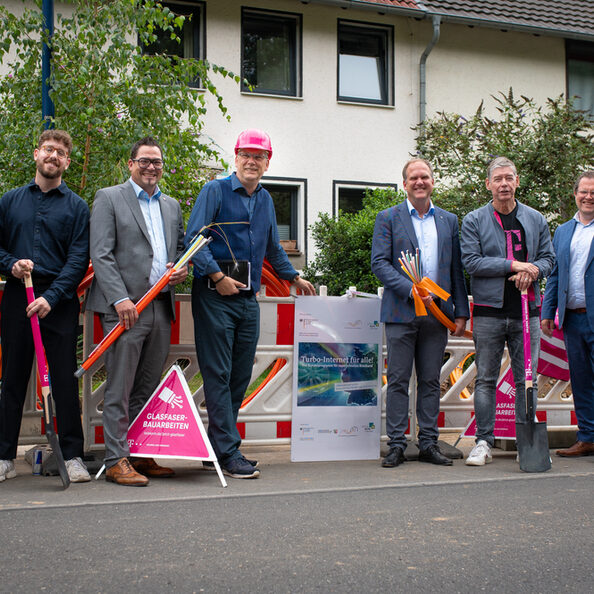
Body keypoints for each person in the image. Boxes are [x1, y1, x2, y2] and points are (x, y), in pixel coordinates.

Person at [185, 129, 315, 479]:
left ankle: (217, 446)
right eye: (247, 154)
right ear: (236, 156)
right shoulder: (214, 191)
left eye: (259, 156)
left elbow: (273, 247)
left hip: (248, 298)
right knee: (218, 372)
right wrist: (216, 277)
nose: (252, 161)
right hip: (215, 296)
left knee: (240, 374)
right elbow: (194, 239)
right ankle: (229, 453)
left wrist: (292, 277)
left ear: (268, 162)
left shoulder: (266, 200)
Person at [86, 137, 187, 486]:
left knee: (147, 386)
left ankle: (140, 453)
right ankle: (116, 458)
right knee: (119, 387)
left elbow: (176, 250)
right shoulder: (109, 197)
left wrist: (180, 270)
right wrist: (119, 299)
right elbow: (101, 253)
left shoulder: (171, 206)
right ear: (130, 164)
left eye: (157, 162)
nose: (151, 167)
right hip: (125, 309)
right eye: (144, 161)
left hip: (160, 305)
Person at [0, 129, 90, 483]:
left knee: (65, 380)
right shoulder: (9, 201)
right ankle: (4, 455)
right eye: (48, 150)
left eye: (61, 153)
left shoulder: (77, 207)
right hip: (17, 298)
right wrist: (12, 265)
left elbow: (78, 259)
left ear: (67, 162)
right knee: (13, 378)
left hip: (59, 301)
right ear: (36, 154)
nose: (54, 156)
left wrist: (51, 298)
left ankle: (72, 456)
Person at [371, 158, 470, 468]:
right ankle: (397, 444)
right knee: (399, 380)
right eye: (413, 178)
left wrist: (461, 312)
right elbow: (379, 263)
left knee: (430, 381)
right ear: (405, 184)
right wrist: (408, 288)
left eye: (424, 177)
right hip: (401, 311)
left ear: (432, 181)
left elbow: (456, 268)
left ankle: (428, 443)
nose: (419, 182)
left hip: (437, 314)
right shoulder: (388, 218)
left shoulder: (449, 220)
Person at [461, 156, 555, 466]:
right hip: (488, 312)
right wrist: (514, 265)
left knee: (524, 380)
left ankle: (524, 442)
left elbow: (547, 259)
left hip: (526, 311)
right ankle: (483, 442)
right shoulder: (474, 220)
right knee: (485, 379)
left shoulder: (535, 219)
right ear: (488, 184)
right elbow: (472, 262)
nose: (504, 184)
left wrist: (533, 272)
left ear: (517, 182)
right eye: (497, 179)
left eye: (509, 178)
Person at [542, 171, 594, 457]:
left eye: (593, 192)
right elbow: (554, 275)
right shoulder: (563, 231)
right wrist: (548, 311)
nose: (588, 197)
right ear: (575, 194)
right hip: (572, 319)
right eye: (583, 191)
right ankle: (587, 437)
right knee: (581, 380)